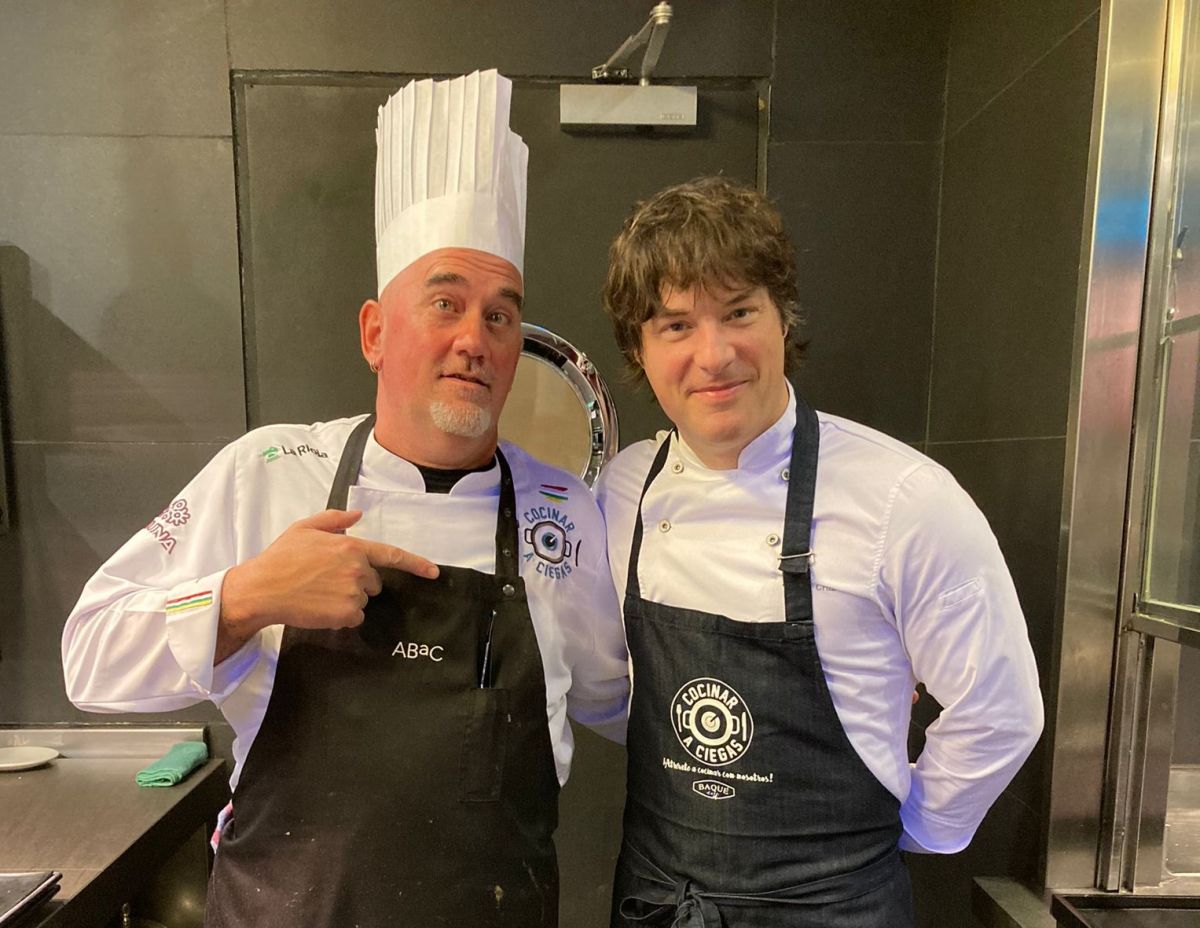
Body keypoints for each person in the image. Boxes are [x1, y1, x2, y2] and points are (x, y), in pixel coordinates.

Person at [62, 70, 628, 928]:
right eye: (445, 302)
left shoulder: (563, 511)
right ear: (375, 331)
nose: (474, 339)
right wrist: (247, 596)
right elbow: (89, 654)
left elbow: (617, 698)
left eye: (501, 315)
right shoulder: (268, 469)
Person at [595, 176, 1043, 927]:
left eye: (739, 312)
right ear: (640, 348)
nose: (714, 354)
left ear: (781, 318)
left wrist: (879, 843)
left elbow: (999, 711)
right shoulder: (624, 490)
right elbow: (612, 689)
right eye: (676, 325)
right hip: (661, 901)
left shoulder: (903, 500)